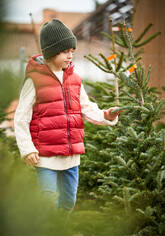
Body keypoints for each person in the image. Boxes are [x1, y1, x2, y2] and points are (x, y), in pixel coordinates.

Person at [14, 19, 121, 213]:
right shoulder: (34, 80)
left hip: (72, 158)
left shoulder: (74, 79)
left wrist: (106, 116)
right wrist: (27, 149)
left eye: (72, 51)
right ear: (51, 52)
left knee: (68, 201)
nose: (70, 55)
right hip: (45, 157)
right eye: (65, 51)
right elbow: (21, 118)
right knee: (46, 201)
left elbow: (86, 108)